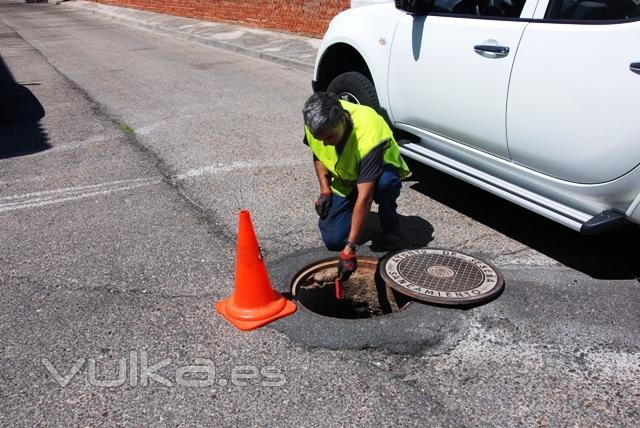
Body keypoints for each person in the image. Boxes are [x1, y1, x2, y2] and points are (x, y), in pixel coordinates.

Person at [302, 92, 411, 280]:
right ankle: (352, 216)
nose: (324, 144)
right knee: (334, 240)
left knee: (386, 184)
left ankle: (391, 229)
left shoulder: (368, 132)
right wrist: (325, 190)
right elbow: (318, 154)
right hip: (345, 178)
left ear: (342, 120)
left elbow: (365, 196)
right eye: (320, 138)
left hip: (378, 173)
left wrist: (350, 248)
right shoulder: (315, 122)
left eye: (328, 137)